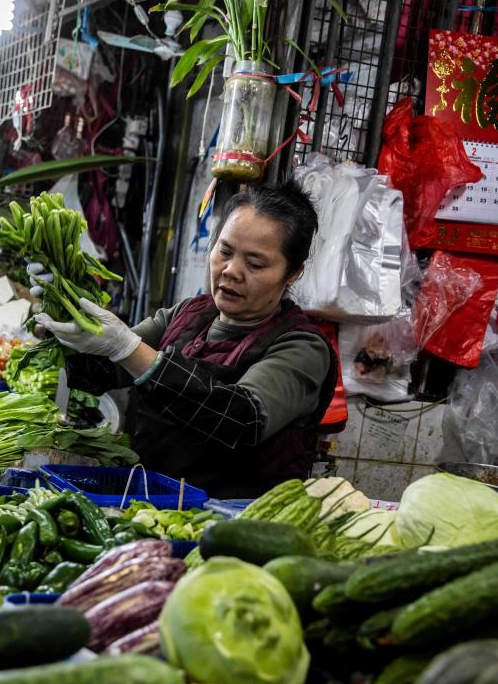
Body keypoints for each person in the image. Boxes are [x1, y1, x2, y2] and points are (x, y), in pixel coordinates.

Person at [33, 180, 335, 499]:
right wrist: (64, 308)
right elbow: (98, 373)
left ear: (293, 273)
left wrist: (128, 348)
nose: (231, 270)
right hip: (149, 508)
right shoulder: (187, 315)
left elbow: (240, 418)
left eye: (255, 263)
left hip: (230, 530)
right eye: (225, 251)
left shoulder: (302, 346)